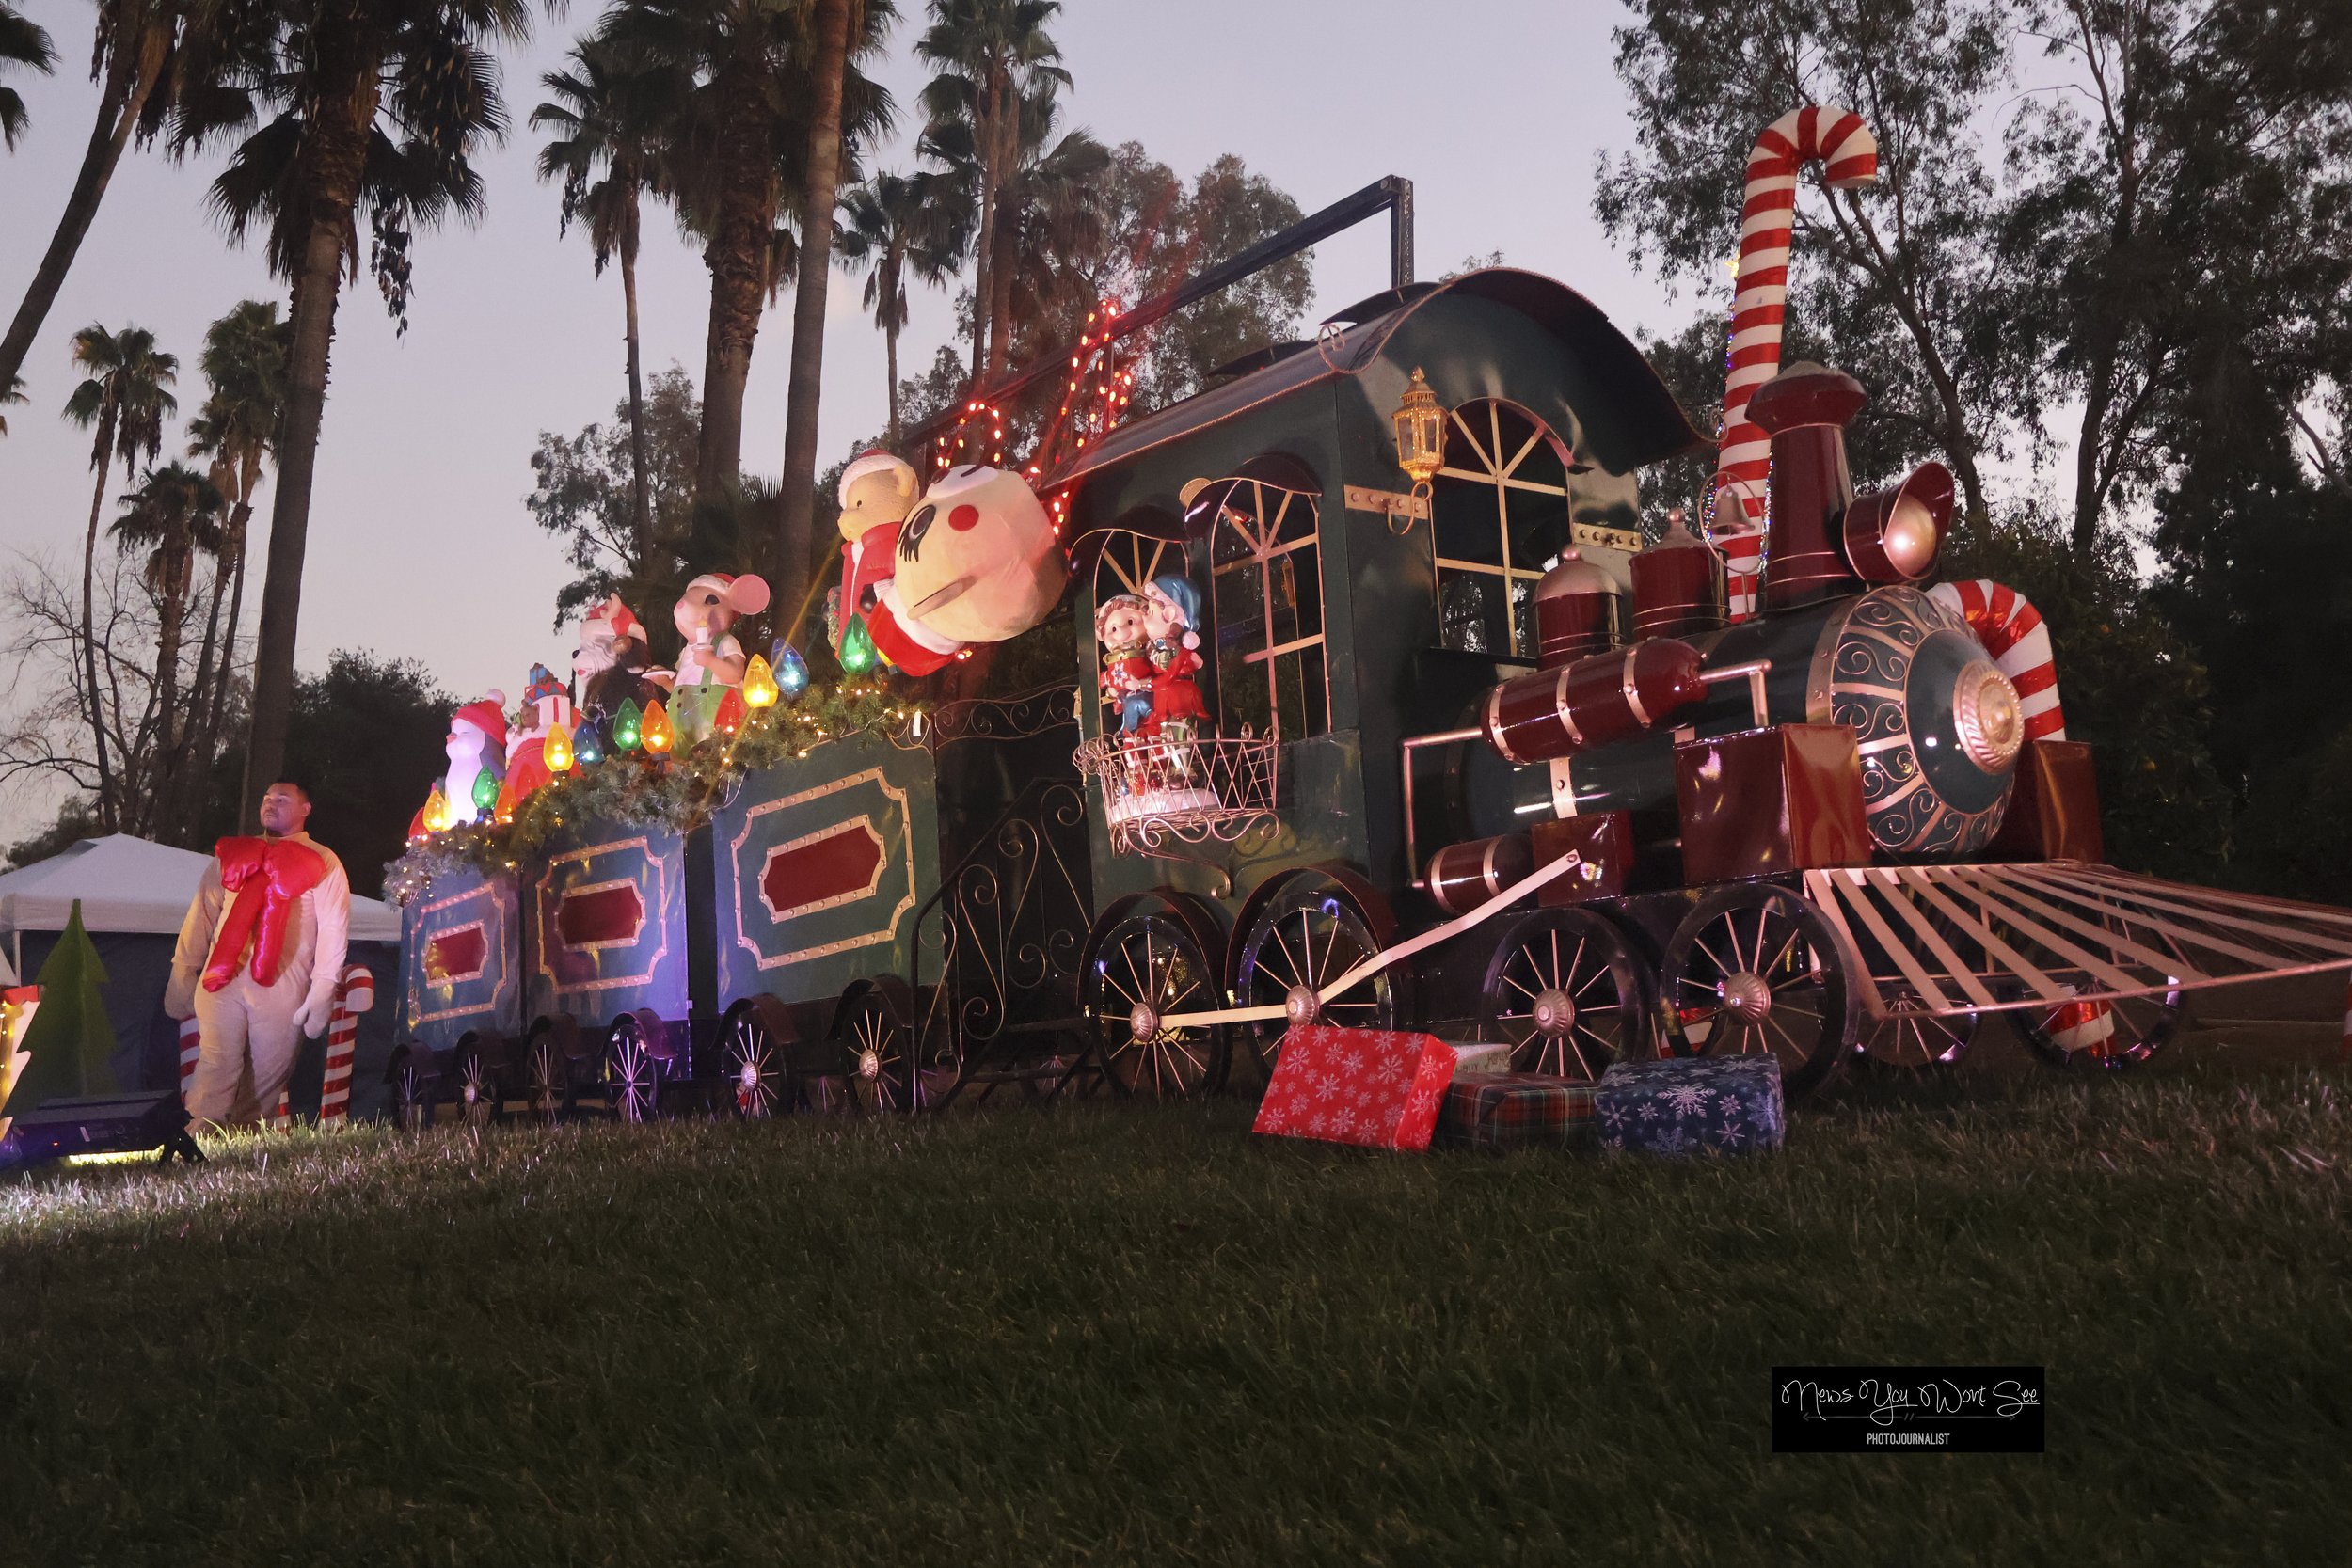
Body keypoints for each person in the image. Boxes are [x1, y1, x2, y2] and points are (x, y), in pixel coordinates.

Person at [165, 782, 352, 1130]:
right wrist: (184, 967)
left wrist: (323, 986)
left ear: (305, 809)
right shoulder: (232, 855)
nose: (270, 804)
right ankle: (199, 1132)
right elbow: (202, 914)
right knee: (216, 1062)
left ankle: (247, 1136)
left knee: (268, 1071)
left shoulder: (324, 861)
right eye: (266, 798)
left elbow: (333, 927)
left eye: (282, 799)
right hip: (224, 979)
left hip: (283, 985)